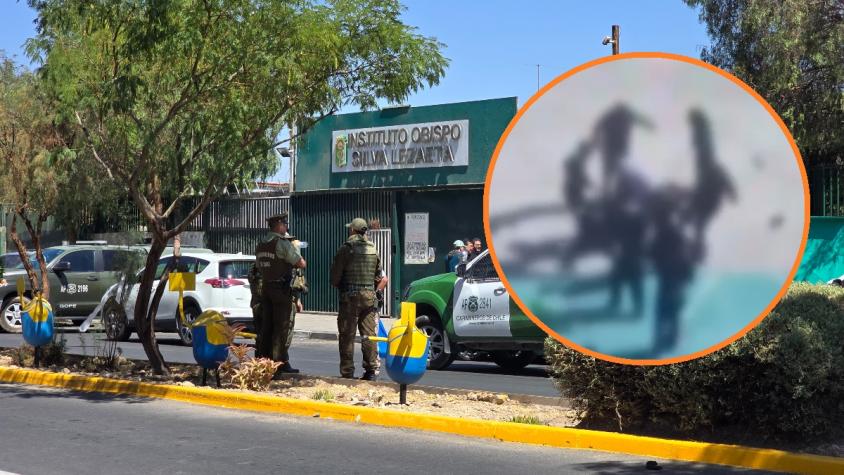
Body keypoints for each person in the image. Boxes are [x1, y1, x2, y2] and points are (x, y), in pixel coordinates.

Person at [330, 217, 388, 380]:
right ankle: (370, 370)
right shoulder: (372, 249)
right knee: (368, 334)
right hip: (369, 297)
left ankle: (347, 371)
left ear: (353, 230)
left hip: (350, 298)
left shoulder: (346, 249)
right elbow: (379, 275)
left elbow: (334, 278)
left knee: (347, 334)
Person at [254, 212, 306, 376]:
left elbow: (259, 266)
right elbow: (301, 263)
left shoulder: (261, 244)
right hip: (280, 291)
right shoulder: (282, 244)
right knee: (281, 328)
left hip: (266, 289)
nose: (286, 226)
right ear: (278, 225)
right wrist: (295, 248)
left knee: (266, 327)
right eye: (284, 223)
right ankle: (278, 365)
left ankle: (263, 363)